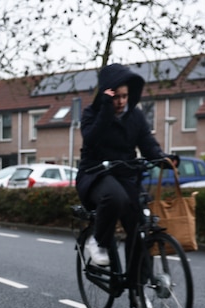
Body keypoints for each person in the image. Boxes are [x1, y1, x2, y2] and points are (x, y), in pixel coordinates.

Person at [75, 63, 178, 269]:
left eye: (125, 96)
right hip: (95, 174)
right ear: (107, 94)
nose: (121, 102)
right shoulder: (91, 114)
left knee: (140, 224)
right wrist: (105, 109)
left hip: (126, 175)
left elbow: (147, 144)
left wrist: (163, 158)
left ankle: (136, 286)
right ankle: (99, 241)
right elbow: (91, 139)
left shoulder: (136, 116)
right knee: (115, 198)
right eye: (116, 97)